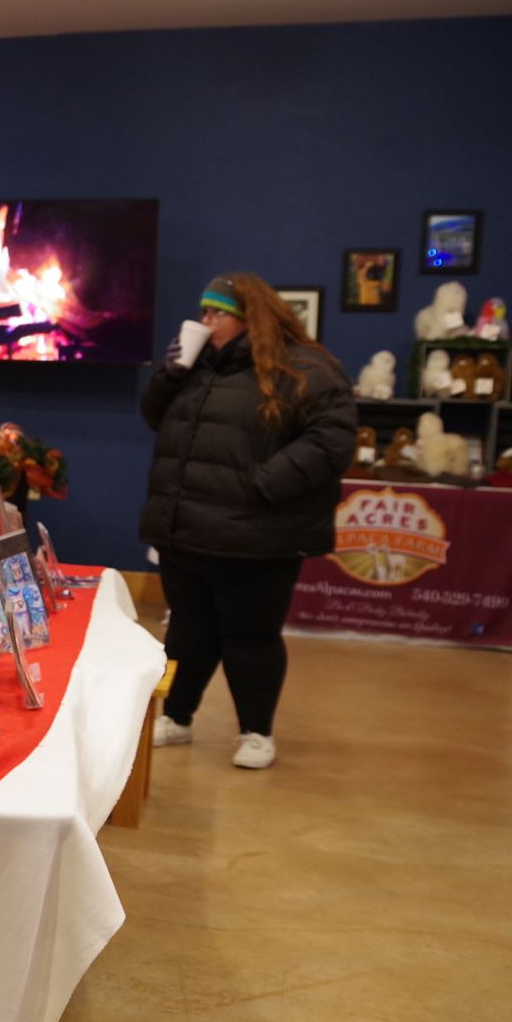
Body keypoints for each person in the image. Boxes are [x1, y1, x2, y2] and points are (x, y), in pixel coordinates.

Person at [139, 273, 357, 771]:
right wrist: (171, 372)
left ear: (250, 318)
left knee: (250, 637)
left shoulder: (307, 368)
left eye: (216, 314)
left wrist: (262, 485)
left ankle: (256, 732)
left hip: (257, 536)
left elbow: (332, 441)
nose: (205, 322)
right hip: (185, 530)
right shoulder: (197, 366)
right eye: (204, 312)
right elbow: (153, 416)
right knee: (186, 633)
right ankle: (177, 716)